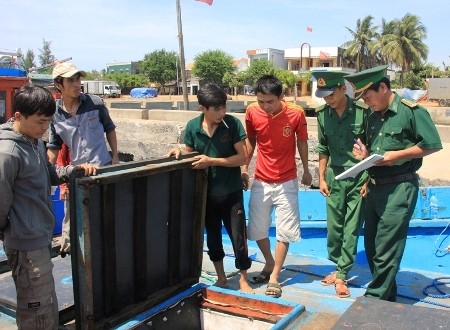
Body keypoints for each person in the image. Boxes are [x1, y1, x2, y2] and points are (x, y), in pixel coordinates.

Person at [0, 85, 97, 329]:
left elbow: (47, 173)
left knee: (45, 302)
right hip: (26, 242)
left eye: (48, 122)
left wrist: (71, 170)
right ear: (19, 116)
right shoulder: (8, 152)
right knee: (37, 309)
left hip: (38, 237)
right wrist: (13, 231)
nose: (45, 129)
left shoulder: (32, 141)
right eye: (40, 122)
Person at [347, 65, 442, 301]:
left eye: (368, 95)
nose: (366, 101)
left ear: (383, 87)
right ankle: (387, 297)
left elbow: (432, 145)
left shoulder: (411, 111)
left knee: (387, 247)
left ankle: (374, 298)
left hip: (400, 188)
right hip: (374, 186)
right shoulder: (371, 117)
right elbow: (374, 151)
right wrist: (365, 155)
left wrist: (395, 156)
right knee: (372, 246)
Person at [167, 83, 253, 293]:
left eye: (224, 107)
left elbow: (242, 157)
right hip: (206, 195)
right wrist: (177, 151)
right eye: (216, 109)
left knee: (238, 237)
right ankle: (221, 277)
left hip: (231, 193)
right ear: (202, 108)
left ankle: (243, 279)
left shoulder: (232, 124)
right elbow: (189, 153)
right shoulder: (192, 127)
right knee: (213, 237)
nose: (222, 112)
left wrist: (212, 161)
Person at [242, 75, 312, 298]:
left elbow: (301, 140)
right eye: (261, 101)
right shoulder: (252, 112)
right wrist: (245, 168)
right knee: (256, 228)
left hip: (287, 181)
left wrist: (307, 170)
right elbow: (251, 140)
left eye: (270, 101)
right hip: (261, 180)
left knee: (285, 231)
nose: (265, 106)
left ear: (281, 97)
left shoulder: (296, 113)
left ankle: (274, 277)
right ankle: (270, 262)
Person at [47, 62, 119, 254]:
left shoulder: (94, 103)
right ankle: (75, 256)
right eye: (71, 80)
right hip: (78, 174)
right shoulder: (55, 114)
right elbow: (54, 146)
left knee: (105, 220)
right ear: (59, 85)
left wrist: (115, 158)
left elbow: (110, 128)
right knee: (74, 223)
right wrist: (46, 170)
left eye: (78, 79)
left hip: (103, 169)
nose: (77, 84)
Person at [312, 71, 369, 298]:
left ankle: (342, 274)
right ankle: (338, 266)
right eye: (323, 95)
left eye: (331, 94)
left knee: (351, 227)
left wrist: (368, 179)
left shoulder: (363, 113)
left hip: (359, 177)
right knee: (334, 229)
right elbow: (323, 148)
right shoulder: (322, 115)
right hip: (335, 178)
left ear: (343, 89)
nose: (327, 99)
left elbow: (372, 147)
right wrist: (322, 178)